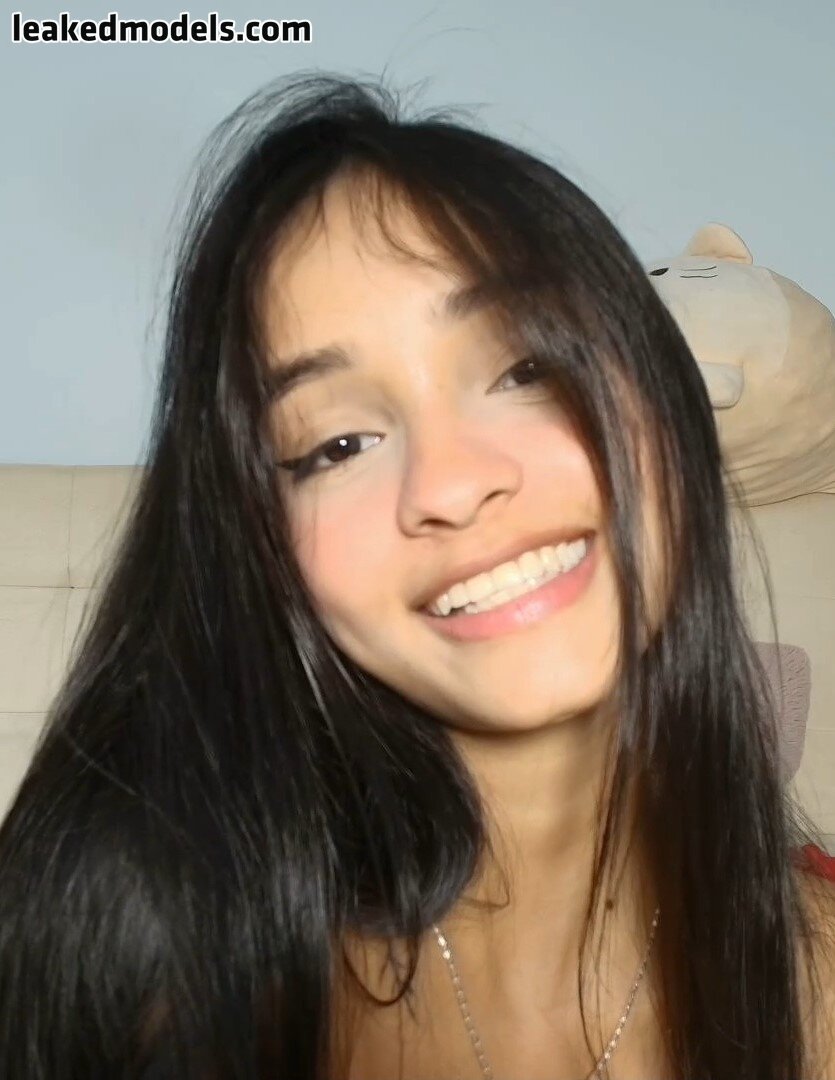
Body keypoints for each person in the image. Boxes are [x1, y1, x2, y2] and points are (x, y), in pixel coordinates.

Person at [0, 70, 832, 1080]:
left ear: (665, 402)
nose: (450, 484)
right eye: (337, 444)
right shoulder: (159, 979)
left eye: (525, 369)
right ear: (262, 551)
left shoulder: (815, 973)